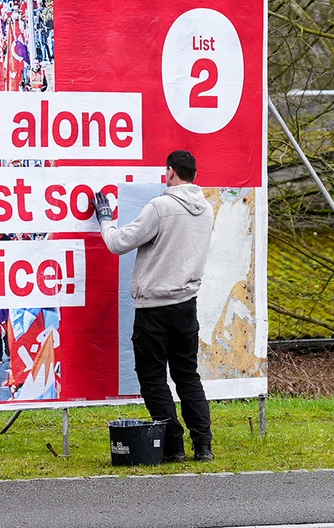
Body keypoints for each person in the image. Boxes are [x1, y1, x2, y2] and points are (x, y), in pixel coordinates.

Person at [92, 150, 215, 463]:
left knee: (153, 379)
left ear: (170, 172)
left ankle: (173, 445)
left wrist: (105, 220)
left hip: (154, 309)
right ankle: (203, 446)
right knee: (188, 376)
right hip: (187, 306)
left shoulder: (161, 207)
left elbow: (119, 243)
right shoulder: (206, 210)